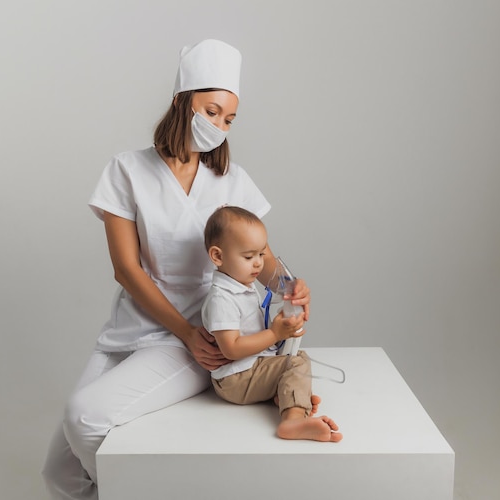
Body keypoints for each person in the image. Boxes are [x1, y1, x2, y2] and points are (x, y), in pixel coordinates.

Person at [41, 39, 312, 500]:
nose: (219, 126)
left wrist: (290, 285)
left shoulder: (232, 181)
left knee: (84, 416)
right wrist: (180, 330)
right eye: (211, 111)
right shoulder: (127, 170)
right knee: (59, 473)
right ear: (181, 101)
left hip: (200, 337)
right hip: (133, 326)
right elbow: (127, 270)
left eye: (228, 118)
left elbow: (260, 259)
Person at [201, 206, 342, 442]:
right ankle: (293, 419)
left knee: (297, 356)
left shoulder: (241, 284)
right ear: (218, 256)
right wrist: (275, 333)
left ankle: (288, 397)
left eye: (260, 255)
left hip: (249, 368)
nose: (258, 264)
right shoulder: (221, 298)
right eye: (248, 257)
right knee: (294, 364)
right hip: (235, 379)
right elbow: (231, 349)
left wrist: (285, 331)